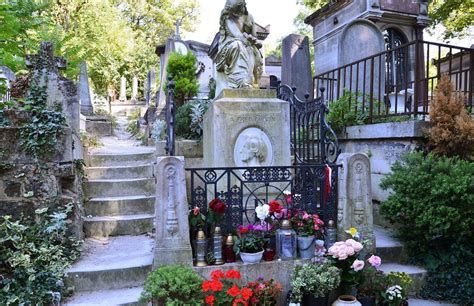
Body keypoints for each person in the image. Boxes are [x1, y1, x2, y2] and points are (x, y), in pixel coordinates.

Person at [214, 0, 263, 95]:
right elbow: (236, 34)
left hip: (246, 44)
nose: (235, 13)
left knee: (254, 51)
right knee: (238, 45)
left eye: (237, 10)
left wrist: (254, 41)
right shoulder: (227, 16)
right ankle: (240, 80)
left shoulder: (249, 17)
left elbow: (254, 37)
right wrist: (248, 40)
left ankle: (252, 82)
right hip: (229, 44)